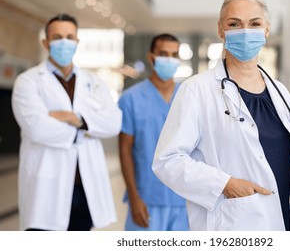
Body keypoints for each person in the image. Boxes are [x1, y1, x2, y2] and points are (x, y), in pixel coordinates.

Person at [152, 0, 290, 231]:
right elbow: (167, 160)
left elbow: (288, 158)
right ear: (221, 30)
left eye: (254, 23)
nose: (245, 31)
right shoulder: (197, 90)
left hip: (285, 218)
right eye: (234, 24)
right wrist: (224, 184)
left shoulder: (280, 92)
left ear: (266, 30)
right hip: (233, 223)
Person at [11, 14, 122, 231]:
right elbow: (37, 128)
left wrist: (76, 119)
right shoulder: (28, 81)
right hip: (47, 187)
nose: (64, 43)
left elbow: (114, 123)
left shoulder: (94, 82)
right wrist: (88, 127)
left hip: (85, 187)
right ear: (46, 42)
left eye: (70, 37)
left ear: (77, 42)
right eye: (57, 37)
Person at [118, 33, 188, 231]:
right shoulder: (130, 99)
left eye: (174, 55)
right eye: (163, 53)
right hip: (146, 197)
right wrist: (133, 197)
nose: (169, 59)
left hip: (184, 198)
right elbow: (125, 150)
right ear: (151, 57)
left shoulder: (189, 96)